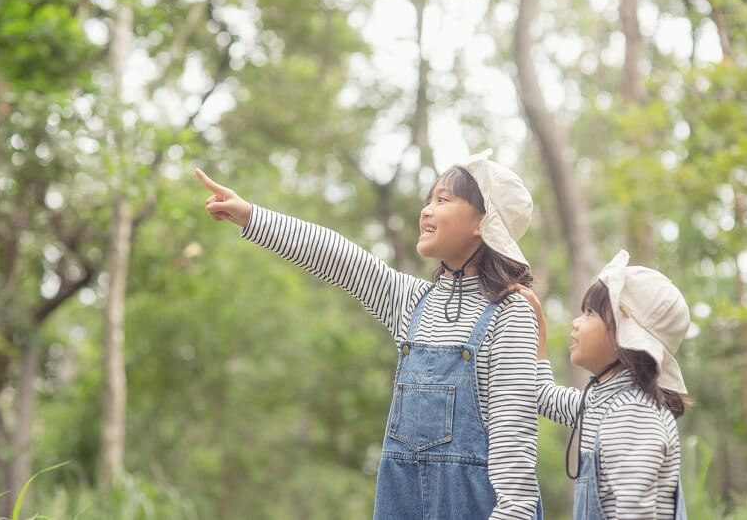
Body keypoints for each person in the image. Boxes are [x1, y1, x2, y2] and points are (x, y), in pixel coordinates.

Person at [195, 150, 543, 519]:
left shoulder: (511, 313)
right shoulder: (413, 301)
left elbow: (513, 444)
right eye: (428, 199)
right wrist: (252, 216)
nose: (426, 209)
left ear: (483, 223)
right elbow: (339, 258)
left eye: (442, 200)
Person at [518, 250, 689, 519]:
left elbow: (635, 514)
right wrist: (536, 321)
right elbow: (542, 396)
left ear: (625, 336)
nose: (576, 322)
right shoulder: (603, 403)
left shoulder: (632, 413)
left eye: (589, 313)